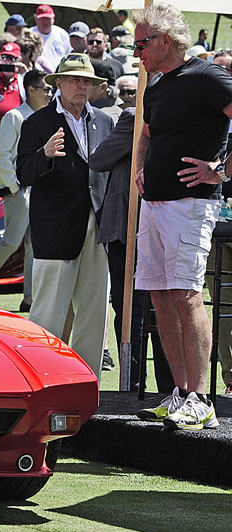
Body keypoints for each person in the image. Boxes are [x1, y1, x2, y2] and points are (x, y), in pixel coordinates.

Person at [130, 3, 232, 430]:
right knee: (159, 295)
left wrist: (222, 169)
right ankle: (180, 393)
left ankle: (200, 397)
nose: (138, 53)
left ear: (165, 41)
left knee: (186, 294)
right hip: (154, 203)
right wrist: (140, 166)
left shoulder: (208, 76)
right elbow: (145, 136)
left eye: (142, 43)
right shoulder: (156, 86)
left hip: (191, 205)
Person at [16, 53, 113, 378]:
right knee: (48, 313)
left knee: (94, 311)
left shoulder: (103, 121)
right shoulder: (38, 123)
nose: (81, 86)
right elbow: (22, 173)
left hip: (98, 226)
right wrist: (43, 155)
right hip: (55, 228)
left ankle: (88, 382)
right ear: (58, 83)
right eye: (74, 80)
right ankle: (42, 379)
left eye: (87, 81)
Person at [90, 107, 175, 392]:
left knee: (148, 308)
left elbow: (99, 159)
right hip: (134, 226)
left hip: (149, 223)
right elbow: (99, 160)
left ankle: (151, 384)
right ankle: (139, 382)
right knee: (138, 308)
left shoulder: (137, 116)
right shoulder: (136, 116)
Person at [0, 70, 52, 311]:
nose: (49, 94)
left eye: (49, 90)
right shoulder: (14, 117)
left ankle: (30, 298)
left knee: (33, 245)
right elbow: (2, 155)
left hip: (36, 188)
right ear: (31, 90)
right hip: (20, 189)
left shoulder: (43, 117)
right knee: (12, 241)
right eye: (45, 89)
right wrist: (15, 187)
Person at [31, 4, 71, 72]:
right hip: (37, 75)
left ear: (53, 18)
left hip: (59, 74)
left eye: (48, 18)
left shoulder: (62, 34)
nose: (45, 22)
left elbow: (68, 55)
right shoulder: (30, 35)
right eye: (42, 19)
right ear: (36, 18)